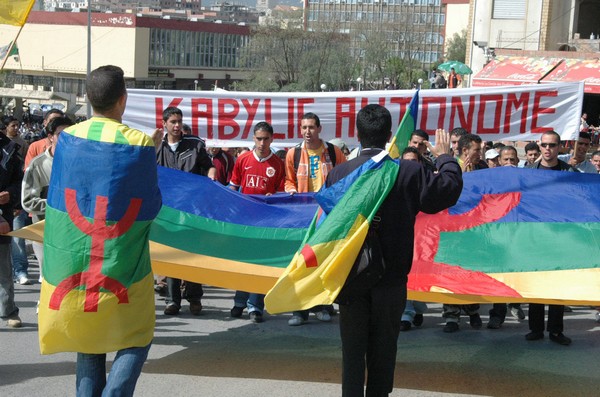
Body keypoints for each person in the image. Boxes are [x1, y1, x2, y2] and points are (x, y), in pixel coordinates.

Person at [38, 65, 162, 395]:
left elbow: (57, 198)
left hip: (73, 263)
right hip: (123, 262)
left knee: (88, 336)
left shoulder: (68, 138)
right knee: (138, 335)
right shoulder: (140, 143)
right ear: (123, 99)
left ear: (88, 99)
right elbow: (150, 206)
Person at [326, 105, 462, 396]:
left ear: (357, 134)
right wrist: (445, 157)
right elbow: (447, 189)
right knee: (384, 352)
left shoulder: (338, 174)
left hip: (350, 279)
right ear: (389, 135)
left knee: (351, 354)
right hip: (390, 279)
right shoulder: (408, 171)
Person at [284, 112, 346, 326]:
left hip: (326, 217)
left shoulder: (333, 151)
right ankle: (298, 310)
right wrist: (291, 191)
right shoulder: (293, 153)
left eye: (311, 127)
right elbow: (288, 181)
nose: (307, 132)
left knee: (323, 261)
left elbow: (344, 179)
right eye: (304, 128)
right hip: (302, 218)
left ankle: (323, 305)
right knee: (301, 262)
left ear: (319, 129)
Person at [155, 106, 215, 316]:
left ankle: (195, 298)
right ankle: (173, 301)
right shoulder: (157, 148)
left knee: (192, 254)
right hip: (167, 211)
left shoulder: (195, 145)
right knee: (172, 255)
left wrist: (211, 178)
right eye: (173, 122)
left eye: (179, 121)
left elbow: (210, 166)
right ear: (164, 124)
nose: (177, 125)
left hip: (192, 210)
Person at [229, 122, 285, 323]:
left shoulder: (278, 164)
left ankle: (255, 307)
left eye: (266, 139)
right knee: (243, 263)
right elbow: (233, 188)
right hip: (244, 221)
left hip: (265, 224)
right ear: (253, 138)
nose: (262, 143)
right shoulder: (242, 159)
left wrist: (274, 196)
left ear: (272, 139)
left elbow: (281, 193)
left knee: (260, 264)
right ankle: (239, 302)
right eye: (258, 138)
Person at [525, 130, 574, 345]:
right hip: (534, 237)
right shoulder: (528, 172)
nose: (547, 149)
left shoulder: (569, 172)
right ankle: (536, 328)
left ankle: (555, 330)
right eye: (544, 145)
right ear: (539, 145)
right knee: (535, 283)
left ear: (559, 147)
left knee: (557, 285)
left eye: (552, 145)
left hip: (559, 238)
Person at [21, 116, 74, 291]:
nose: (66, 138)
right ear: (50, 136)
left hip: (73, 234)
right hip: (45, 233)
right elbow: (28, 202)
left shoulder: (79, 164)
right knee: (48, 280)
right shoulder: (38, 165)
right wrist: (59, 204)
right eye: (61, 134)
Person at [0, 121, 24, 328]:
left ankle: (8, 311)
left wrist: (11, 194)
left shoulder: (10, 150)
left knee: (3, 268)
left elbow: (20, 181)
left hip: (2, 217)